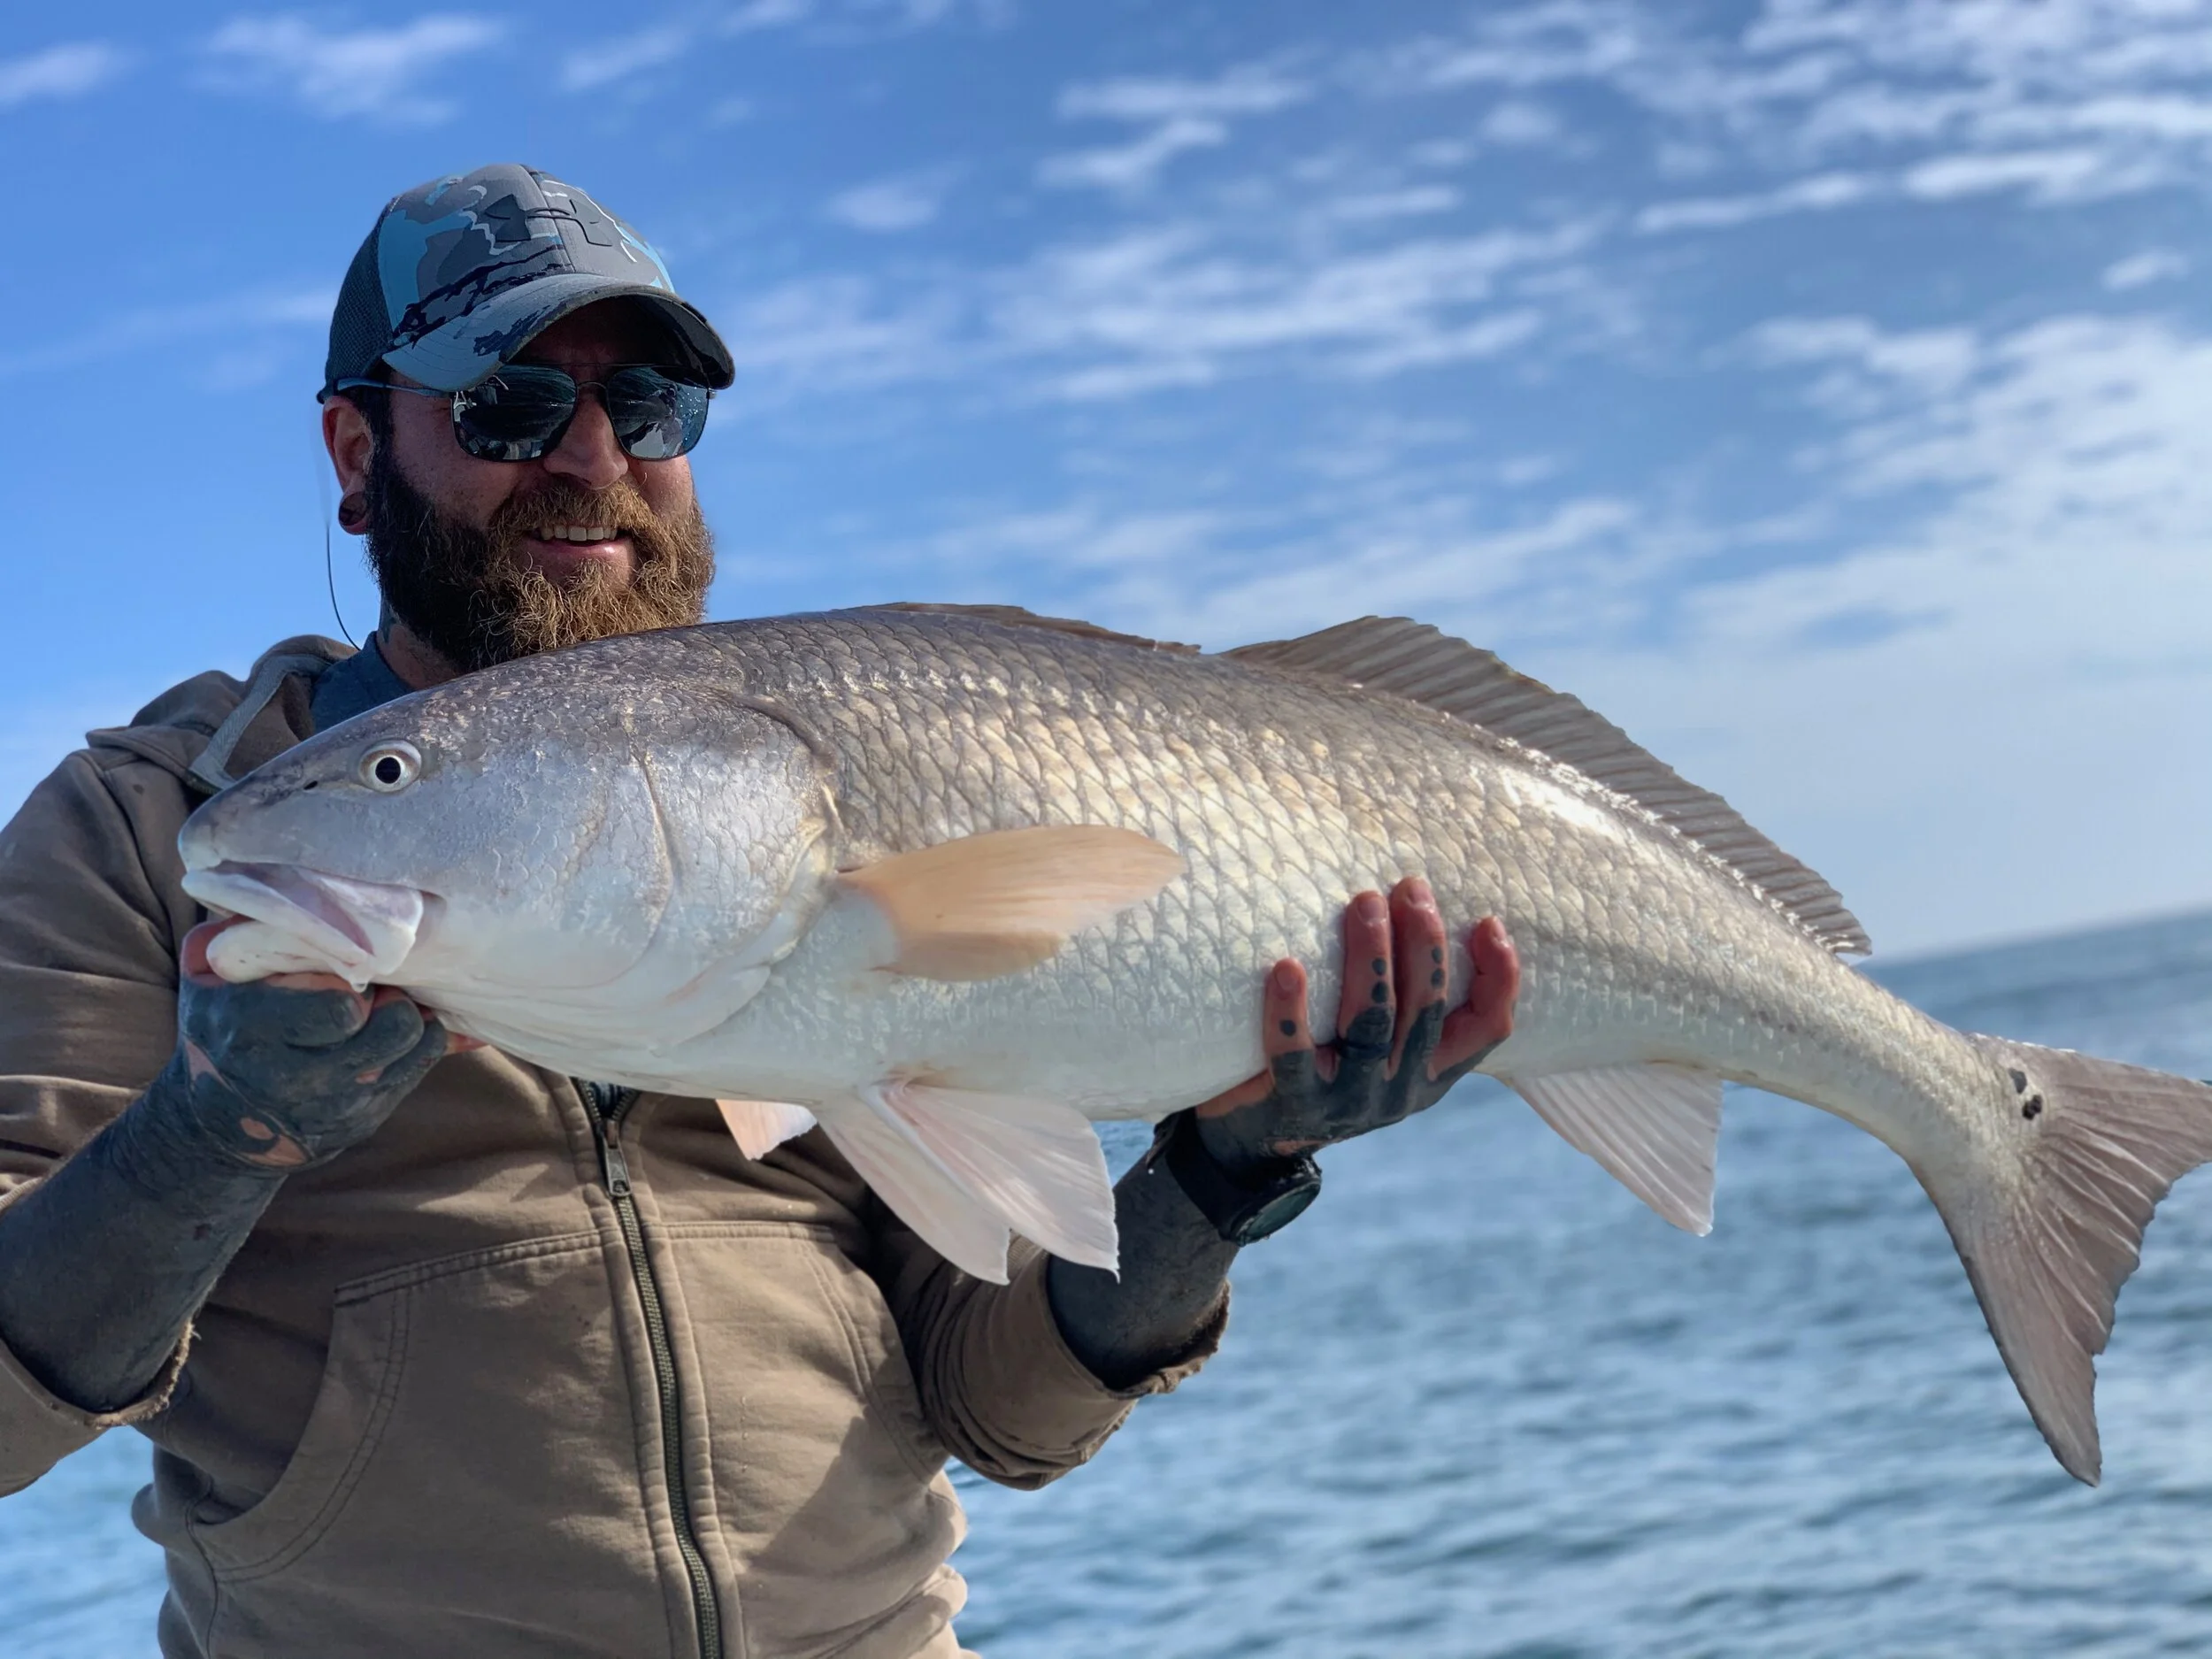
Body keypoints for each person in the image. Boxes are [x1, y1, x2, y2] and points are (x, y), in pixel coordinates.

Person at [0, 165, 1519, 1659]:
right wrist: (214, 1131)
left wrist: (1229, 1165)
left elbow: (1004, 1405)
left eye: (650, 408)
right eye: (506, 405)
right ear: (354, 447)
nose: (591, 457)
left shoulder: (847, 770)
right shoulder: (168, 826)